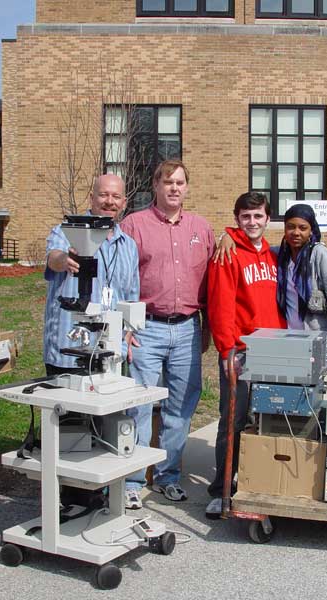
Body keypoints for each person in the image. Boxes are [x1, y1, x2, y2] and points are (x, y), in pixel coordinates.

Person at [43, 173, 140, 508]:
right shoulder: (65, 231)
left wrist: (129, 332)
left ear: (123, 202)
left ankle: (97, 493)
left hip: (108, 354)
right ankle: (67, 498)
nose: (109, 202)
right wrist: (65, 258)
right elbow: (54, 258)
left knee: (104, 425)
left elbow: (131, 294)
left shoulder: (128, 246)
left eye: (115, 197)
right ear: (92, 196)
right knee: (70, 430)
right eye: (103, 195)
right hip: (68, 351)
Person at [120, 159, 215, 506]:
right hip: (146, 328)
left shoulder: (201, 228)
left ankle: (167, 476)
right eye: (168, 182)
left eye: (180, 182)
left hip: (188, 328)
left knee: (180, 409)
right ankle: (132, 480)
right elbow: (120, 280)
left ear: (187, 187)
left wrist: (206, 327)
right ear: (155, 186)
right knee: (139, 407)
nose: (174, 188)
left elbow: (210, 281)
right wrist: (124, 328)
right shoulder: (134, 226)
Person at [204, 192, 285, 519]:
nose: (252, 222)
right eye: (245, 217)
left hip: (273, 349)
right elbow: (220, 306)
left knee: (267, 419)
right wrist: (226, 349)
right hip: (241, 351)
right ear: (237, 218)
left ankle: (258, 480)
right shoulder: (227, 254)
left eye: (258, 216)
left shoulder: (272, 255)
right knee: (234, 421)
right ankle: (220, 487)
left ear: (268, 219)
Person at [216, 203, 327, 381]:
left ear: (311, 230)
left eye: (302, 228)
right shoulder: (278, 255)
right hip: (292, 345)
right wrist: (227, 236)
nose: (296, 232)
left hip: (324, 345)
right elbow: (254, 246)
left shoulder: (321, 256)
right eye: (290, 227)